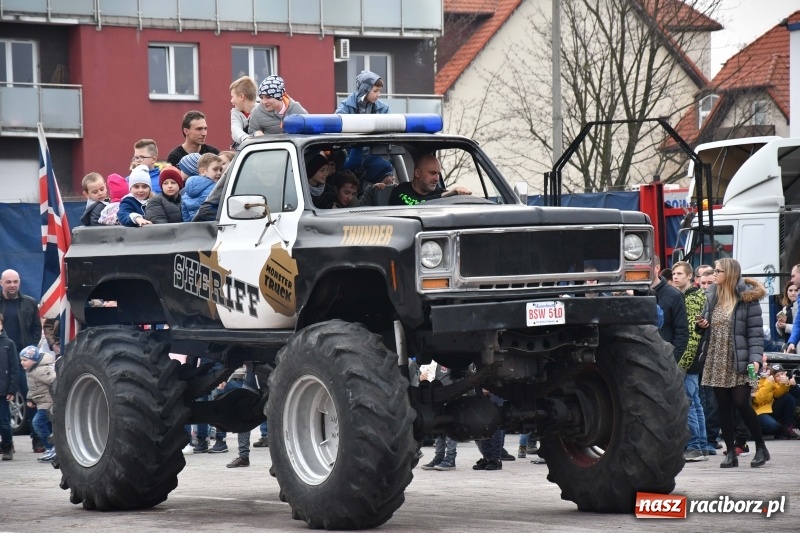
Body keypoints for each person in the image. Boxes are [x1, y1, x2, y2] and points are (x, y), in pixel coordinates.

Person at [697, 258, 769, 468]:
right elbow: (704, 324)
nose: (713, 275)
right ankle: (731, 453)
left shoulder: (747, 299)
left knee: (741, 402)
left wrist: (755, 359)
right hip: (716, 356)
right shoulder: (712, 295)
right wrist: (701, 325)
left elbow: (755, 335)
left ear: (728, 273)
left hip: (740, 357)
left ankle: (761, 447)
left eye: (717, 271)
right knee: (723, 406)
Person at [671, 261, 711, 461]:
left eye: (679, 274)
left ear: (689, 277)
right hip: (693, 356)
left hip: (690, 357)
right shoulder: (687, 296)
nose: (675, 277)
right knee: (695, 402)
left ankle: (695, 445)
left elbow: (690, 334)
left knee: (688, 401)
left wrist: (683, 363)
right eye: (674, 274)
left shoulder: (693, 297)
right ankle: (702, 445)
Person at [0, 269, 43, 453]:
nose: (12, 285)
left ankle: (37, 440)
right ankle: (6, 443)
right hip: (2, 359)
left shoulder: (30, 303)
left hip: (23, 360)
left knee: (30, 398)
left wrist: (29, 349)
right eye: (8, 282)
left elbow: (36, 328)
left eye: (15, 281)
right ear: (1, 283)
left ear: (20, 282)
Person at [19, 346, 56, 462]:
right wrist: (30, 399)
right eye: (21, 360)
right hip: (41, 402)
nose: (22, 363)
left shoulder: (41, 370)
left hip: (48, 402)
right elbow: (33, 387)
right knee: (47, 425)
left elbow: (55, 380)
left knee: (38, 423)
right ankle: (54, 448)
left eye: (25, 360)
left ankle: (51, 448)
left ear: (34, 360)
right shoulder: (31, 370)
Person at [418, 362, 458, 471]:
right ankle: (439, 456)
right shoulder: (427, 361)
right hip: (433, 397)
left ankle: (450, 458)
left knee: (449, 426)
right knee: (438, 427)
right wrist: (419, 378)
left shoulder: (446, 358)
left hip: (447, 394)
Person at [388, 155, 471, 206]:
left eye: (438, 174)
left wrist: (461, 194)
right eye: (432, 173)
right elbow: (416, 204)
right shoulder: (400, 191)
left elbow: (450, 197)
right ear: (417, 173)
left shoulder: (438, 192)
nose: (437, 179)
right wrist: (448, 194)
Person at [651, 258, 688, 362]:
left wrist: (672, 361)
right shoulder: (631, 293)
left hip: (664, 360)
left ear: (657, 268)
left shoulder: (674, 295)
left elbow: (681, 331)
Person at [752, 362, 800, 439]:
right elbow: (757, 400)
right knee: (773, 426)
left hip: (769, 409)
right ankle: (778, 429)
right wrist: (768, 384)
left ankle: (786, 428)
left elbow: (777, 394)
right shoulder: (757, 379)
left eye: (766, 369)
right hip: (759, 411)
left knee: (788, 397)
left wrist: (784, 384)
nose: (765, 370)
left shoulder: (770, 380)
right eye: (763, 369)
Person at [182, 153, 224, 222]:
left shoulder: (185, 191)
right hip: (210, 227)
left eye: (220, 170)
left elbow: (185, 213)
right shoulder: (215, 189)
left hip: (193, 228)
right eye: (215, 169)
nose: (219, 173)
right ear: (203, 171)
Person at [0, 313, 19, 460]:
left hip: (3, 389)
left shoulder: (8, 344)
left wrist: (12, 389)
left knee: (4, 421)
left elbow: (14, 368)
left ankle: (7, 445)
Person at [229, 76, 258, 149]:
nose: (231, 101)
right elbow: (235, 130)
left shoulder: (261, 110)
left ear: (241, 96)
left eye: (233, 97)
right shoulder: (235, 113)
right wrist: (246, 139)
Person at [775, 280, 797, 346]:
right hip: (787, 344)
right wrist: (779, 324)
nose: (793, 293)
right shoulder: (786, 308)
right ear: (786, 292)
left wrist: (786, 326)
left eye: (796, 290)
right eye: (790, 290)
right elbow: (781, 333)